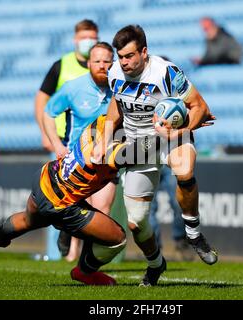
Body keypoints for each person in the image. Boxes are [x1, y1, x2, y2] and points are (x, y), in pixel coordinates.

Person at [92, 25, 217, 286]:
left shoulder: (166, 72)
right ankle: (155, 264)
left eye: (129, 56)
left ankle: (193, 233)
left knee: (184, 171)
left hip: (171, 136)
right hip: (138, 145)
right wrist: (105, 138)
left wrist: (181, 130)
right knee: (136, 223)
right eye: (120, 56)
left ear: (144, 52)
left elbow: (200, 107)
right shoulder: (115, 72)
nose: (123, 62)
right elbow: (116, 106)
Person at [0, 115, 158, 285]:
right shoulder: (109, 149)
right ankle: (85, 272)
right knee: (117, 238)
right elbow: (139, 151)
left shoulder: (101, 121)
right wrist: (166, 133)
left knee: (29, 220)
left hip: (47, 177)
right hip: (62, 202)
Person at [43, 42, 116, 261]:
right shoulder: (72, 88)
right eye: (97, 61)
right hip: (77, 160)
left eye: (106, 61)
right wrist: (57, 144)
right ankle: (69, 235)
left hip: (108, 159)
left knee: (101, 209)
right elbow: (48, 113)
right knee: (76, 208)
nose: (102, 66)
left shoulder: (120, 89)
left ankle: (88, 261)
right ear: (89, 63)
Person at [34, 19, 99, 261]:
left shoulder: (103, 67)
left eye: (93, 36)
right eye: (84, 36)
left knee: (89, 197)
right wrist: (44, 133)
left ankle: (78, 252)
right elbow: (42, 101)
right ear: (75, 39)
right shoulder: (61, 66)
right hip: (64, 142)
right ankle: (60, 250)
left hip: (95, 144)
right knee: (63, 197)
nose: (88, 41)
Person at [149, 165, 194, 261]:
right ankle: (154, 249)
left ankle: (180, 240)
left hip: (170, 161)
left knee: (179, 202)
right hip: (149, 161)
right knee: (148, 208)